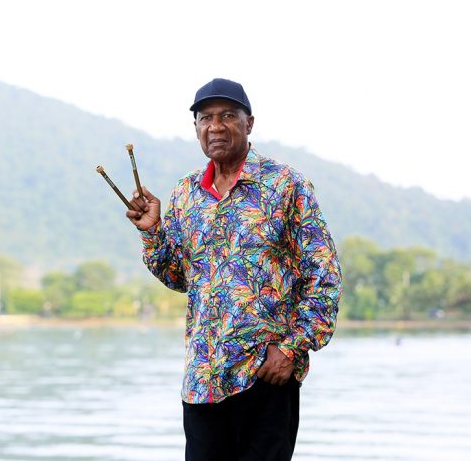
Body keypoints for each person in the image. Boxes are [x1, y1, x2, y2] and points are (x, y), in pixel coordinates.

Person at [126, 78, 342, 461]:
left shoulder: (284, 185)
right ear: (196, 129)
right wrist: (153, 232)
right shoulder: (185, 193)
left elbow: (323, 274)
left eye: (228, 115)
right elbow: (179, 276)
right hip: (203, 377)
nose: (216, 126)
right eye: (205, 118)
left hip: (266, 372)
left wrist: (291, 349)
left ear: (249, 123)